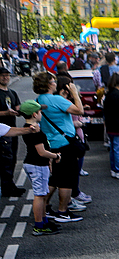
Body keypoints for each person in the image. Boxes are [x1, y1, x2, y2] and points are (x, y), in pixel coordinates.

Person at [33, 71, 85, 224]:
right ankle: (62, 211)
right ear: (50, 84)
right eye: (53, 81)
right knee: (67, 180)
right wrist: (75, 93)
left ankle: (46, 206)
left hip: (51, 143)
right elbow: (79, 110)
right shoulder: (56, 99)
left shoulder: (39, 99)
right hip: (65, 143)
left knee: (55, 178)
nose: (55, 83)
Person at [18, 102, 59, 235]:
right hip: (37, 165)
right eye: (40, 112)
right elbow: (41, 152)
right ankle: (39, 225)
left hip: (36, 164)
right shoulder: (34, 130)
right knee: (39, 195)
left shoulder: (31, 128)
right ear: (35, 114)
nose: (41, 114)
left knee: (41, 193)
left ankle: (44, 221)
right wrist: (55, 156)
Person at [0, 66, 25, 197]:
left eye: (7, 75)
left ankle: (10, 184)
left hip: (13, 130)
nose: (5, 77)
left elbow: (18, 108)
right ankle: (6, 187)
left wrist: (24, 110)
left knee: (12, 159)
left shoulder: (12, 93)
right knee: (5, 161)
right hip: (2, 133)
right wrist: (5, 113)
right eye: (3, 75)